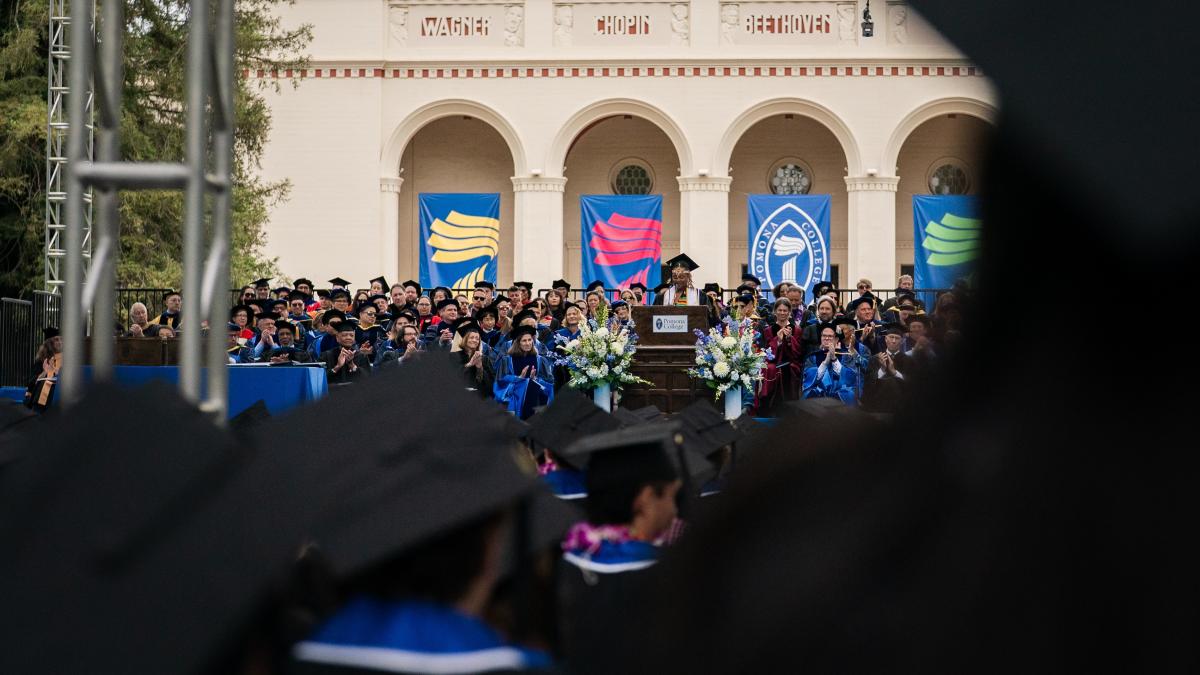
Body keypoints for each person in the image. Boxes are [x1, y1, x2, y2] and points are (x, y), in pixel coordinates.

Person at [555, 424, 705, 672]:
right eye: (670, 496)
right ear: (645, 499)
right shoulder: (670, 577)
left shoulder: (562, 565)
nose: (674, 509)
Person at [754, 299, 804, 415]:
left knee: (786, 369)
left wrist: (789, 339)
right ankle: (768, 409)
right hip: (773, 362)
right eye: (780, 310)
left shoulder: (797, 330)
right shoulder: (768, 331)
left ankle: (789, 412)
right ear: (775, 311)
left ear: (789, 312)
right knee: (770, 369)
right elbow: (767, 352)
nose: (782, 313)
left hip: (791, 363)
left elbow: (798, 353)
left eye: (785, 310)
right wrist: (778, 341)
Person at [494, 325, 554, 419]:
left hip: (536, 401)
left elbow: (549, 381)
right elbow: (500, 382)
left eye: (530, 340)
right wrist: (518, 378)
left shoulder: (540, 360)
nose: (528, 343)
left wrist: (535, 379)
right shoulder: (507, 360)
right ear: (517, 343)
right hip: (515, 402)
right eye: (524, 340)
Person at [802, 323, 860, 406]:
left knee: (849, 394)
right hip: (818, 391)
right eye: (824, 336)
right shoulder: (812, 357)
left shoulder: (846, 356)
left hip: (839, 391)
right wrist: (825, 363)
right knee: (808, 393)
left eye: (830, 336)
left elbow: (850, 377)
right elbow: (808, 378)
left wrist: (834, 359)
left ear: (836, 339)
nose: (826, 338)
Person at [861, 323, 910, 413]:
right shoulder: (875, 359)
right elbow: (868, 387)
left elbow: (911, 386)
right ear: (886, 339)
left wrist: (894, 372)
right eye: (891, 337)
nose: (894, 341)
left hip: (901, 408)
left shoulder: (908, 361)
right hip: (878, 407)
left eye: (897, 338)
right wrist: (882, 370)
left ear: (902, 341)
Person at [23, 327, 62, 412]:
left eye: (61, 339)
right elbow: (30, 383)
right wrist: (45, 372)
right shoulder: (42, 360)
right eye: (56, 340)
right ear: (49, 343)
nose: (60, 342)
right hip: (38, 399)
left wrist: (56, 372)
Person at [321, 320, 371, 385]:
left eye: (351, 335)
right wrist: (337, 367)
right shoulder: (326, 355)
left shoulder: (361, 356)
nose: (348, 338)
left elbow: (367, 378)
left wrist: (352, 365)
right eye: (344, 335)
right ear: (337, 338)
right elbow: (320, 379)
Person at [452, 321, 495, 397]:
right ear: (465, 339)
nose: (475, 340)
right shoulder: (454, 356)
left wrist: (480, 368)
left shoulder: (484, 359)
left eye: (477, 338)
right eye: (471, 337)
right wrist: (469, 364)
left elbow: (491, 383)